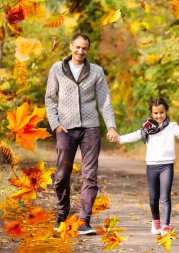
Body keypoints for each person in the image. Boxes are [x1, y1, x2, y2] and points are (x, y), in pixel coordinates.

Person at [45, 33, 119, 235]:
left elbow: (104, 101)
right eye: (77, 47)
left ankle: (84, 220)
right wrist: (56, 124)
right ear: (71, 46)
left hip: (91, 129)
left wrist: (111, 126)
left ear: (88, 49)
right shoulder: (57, 69)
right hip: (65, 130)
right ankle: (62, 215)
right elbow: (50, 99)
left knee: (90, 176)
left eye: (84, 48)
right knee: (61, 176)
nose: (80, 51)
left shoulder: (96, 71)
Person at [114, 98, 179, 236]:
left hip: (167, 165)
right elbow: (135, 135)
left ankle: (165, 226)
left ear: (166, 111)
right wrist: (119, 138)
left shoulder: (172, 126)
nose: (159, 115)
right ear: (151, 113)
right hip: (152, 166)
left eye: (161, 112)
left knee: (165, 197)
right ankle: (156, 222)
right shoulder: (147, 127)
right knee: (153, 197)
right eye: (155, 113)